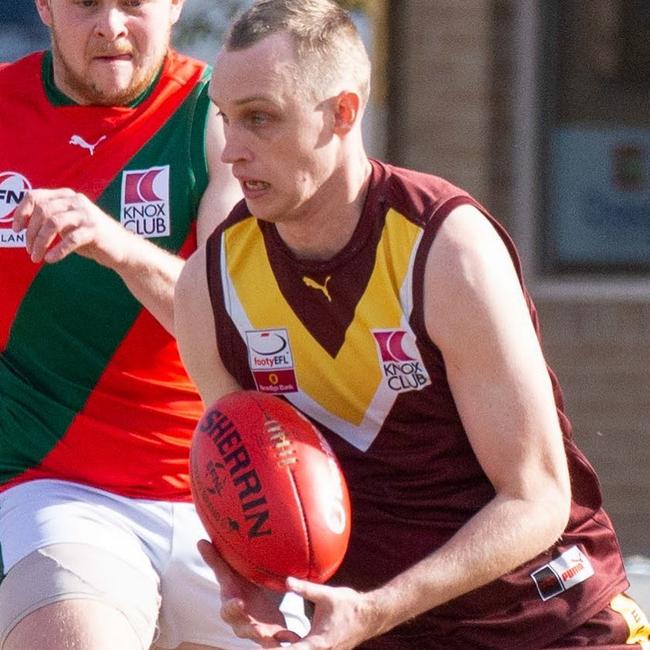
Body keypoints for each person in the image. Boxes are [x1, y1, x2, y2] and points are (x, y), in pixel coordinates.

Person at [173, 1, 650, 648]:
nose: (231, 150)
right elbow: (247, 485)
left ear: (342, 112)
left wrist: (378, 609)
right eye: (226, 119)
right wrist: (254, 577)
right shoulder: (210, 285)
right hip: (379, 631)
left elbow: (536, 497)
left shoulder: (446, 247)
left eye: (261, 118)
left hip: (548, 623)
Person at [0, 1, 257, 649]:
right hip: (57, 489)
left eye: (133, 4)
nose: (110, 25)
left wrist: (115, 245)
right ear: (45, 7)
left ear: (174, 5)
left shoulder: (220, 118)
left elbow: (233, 330)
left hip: (237, 492)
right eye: (86, 2)